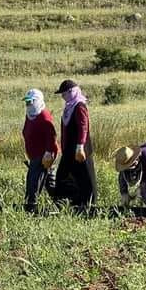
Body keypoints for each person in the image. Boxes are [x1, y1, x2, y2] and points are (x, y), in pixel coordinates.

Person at [49, 79, 96, 211]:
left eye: (64, 94)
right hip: (69, 150)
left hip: (79, 150)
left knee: (86, 178)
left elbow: (83, 126)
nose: (63, 97)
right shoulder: (70, 107)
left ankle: (89, 205)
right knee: (63, 176)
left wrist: (80, 146)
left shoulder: (79, 106)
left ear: (72, 92)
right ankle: (66, 203)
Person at [21, 89, 59, 214]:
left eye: (30, 102)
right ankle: (62, 204)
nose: (28, 105)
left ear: (37, 101)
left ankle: (31, 207)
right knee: (50, 182)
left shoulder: (44, 116)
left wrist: (48, 153)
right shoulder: (30, 114)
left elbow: (51, 136)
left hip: (43, 156)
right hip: (35, 155)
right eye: (27, 102)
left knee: (33, 180)